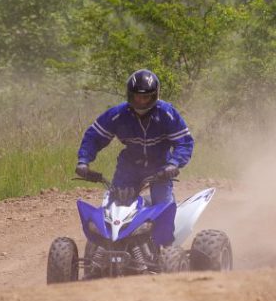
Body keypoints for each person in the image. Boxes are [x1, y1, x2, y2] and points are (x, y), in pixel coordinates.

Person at [76, 69, 193, 205]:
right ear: (130, 95)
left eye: (146, 97)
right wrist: (83, 161)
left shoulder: (167, 113)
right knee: (115, 207)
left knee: (163, 207)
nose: (141, 101)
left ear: (154, 95)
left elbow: (184, 143)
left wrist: (174, 163)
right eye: (137, 96)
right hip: (128, 167)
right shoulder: (118, 114)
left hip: (160, 168)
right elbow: (94, 137)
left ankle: (165, 221)